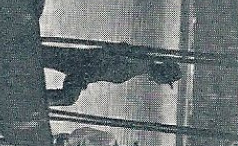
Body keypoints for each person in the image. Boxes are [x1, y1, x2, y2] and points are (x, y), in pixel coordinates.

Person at [42, 42, 181, 107]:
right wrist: (83, 79)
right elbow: (103, 66)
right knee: (68, 98)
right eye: (164, 80)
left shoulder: (141, 61)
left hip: (83, 63)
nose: (160, 83)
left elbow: (116, 49)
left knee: (45, 55)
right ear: (162, 74)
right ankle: (34, 100)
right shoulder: (136, 66)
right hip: (82, 66)